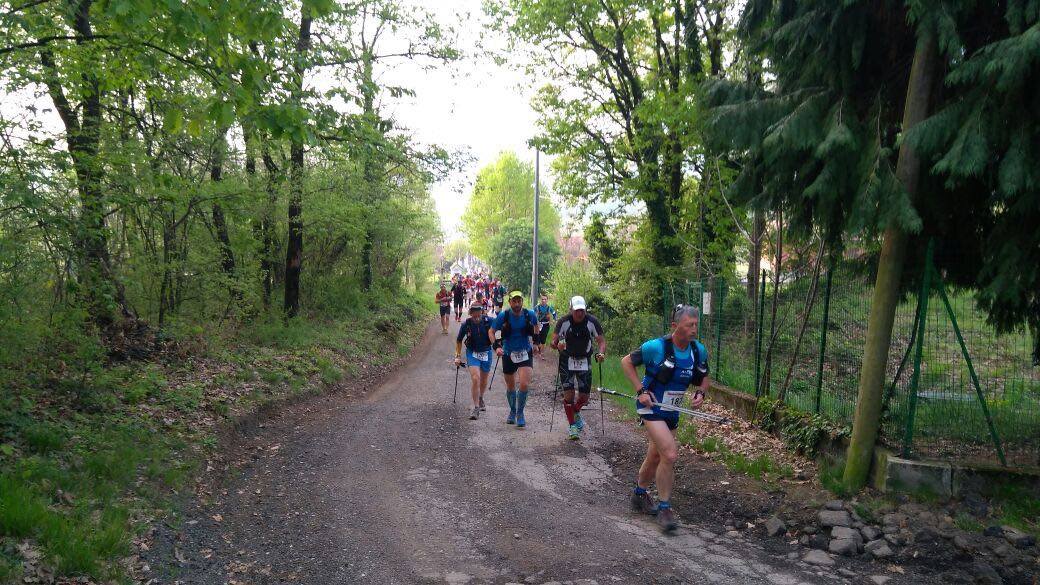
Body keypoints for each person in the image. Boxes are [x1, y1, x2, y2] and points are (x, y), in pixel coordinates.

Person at [620, 304, 710, 533]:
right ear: (674, 326)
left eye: (696, 325)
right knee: (669, 453)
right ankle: (665, 508)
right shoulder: (656, 347)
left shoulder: (698, 351)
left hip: (671, 411)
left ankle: (639, 495)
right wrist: (640, 391)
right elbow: (626, 362)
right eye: (689, 325)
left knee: (655, 456)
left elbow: (704, 378)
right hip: (651, 407)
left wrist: (700, 393)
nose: (694, 329)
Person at [552, 296, 606, 439]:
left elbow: (601, 341)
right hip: (566, 360)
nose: (579, 313)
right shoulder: (563, 322)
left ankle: (575, 411)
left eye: (582, 310)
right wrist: (557, 345)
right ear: (571, 309)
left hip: (584, 360)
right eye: (576, 310)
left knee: (584, 397)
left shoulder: (592, 322)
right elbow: (553, 341)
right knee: (569, 394)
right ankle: (572, 426)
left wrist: (601, 353)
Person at [489, 290, 539, 428]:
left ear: (522, 301)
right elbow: (491, 331)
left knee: (524, 384)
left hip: (525, 352)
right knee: (511, 386)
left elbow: (536, 326)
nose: (517, 304)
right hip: (508, 353)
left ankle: (520, 413)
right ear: (509, 302)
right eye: (514, 301)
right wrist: (496, 347)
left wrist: (535, 343)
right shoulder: (503, 316)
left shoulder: (530, 314)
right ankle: (512, 410)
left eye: (519, 301)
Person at [455, 302, 494, 419]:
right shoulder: (466, 324)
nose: (477, 317)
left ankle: (481, 397)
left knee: (484, 379)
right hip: (472, 353)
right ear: (471, 313)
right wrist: (457, 356)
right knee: (476, 378)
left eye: (479, 314)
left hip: (486, 352)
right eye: (474, 315)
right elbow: (459, 340)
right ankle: (476, 408)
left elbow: (503, 327)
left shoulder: (489, 321)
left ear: (482, 312)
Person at [533, 294, 557, 360]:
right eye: (542, 299)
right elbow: (532, 314)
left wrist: (554, 320)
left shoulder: (549, 308)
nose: (543, 300)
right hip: (538, 325)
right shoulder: (537, 307)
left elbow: (554, 313)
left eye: (545, 299)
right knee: (537, 338)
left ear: (547, 300)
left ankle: (541, 353)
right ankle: (537, 350)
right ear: (540, 300)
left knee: (543, 340)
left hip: (546, 325)